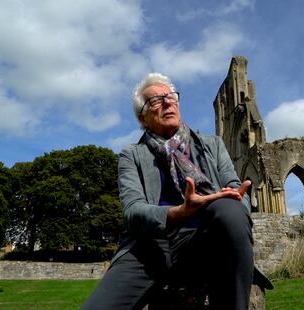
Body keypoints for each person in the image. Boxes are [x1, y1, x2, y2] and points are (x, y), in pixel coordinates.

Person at [82, 73, 272, 310]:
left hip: (205, 242)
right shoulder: (131, 155)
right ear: (142, 117)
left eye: (171, 97)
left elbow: (237, 191)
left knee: (229, 208)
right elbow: (133, 212)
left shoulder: (212, 145)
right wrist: (179, 212)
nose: (167, 102)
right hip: (148, 248)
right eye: (156, 100)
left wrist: (236, 198)